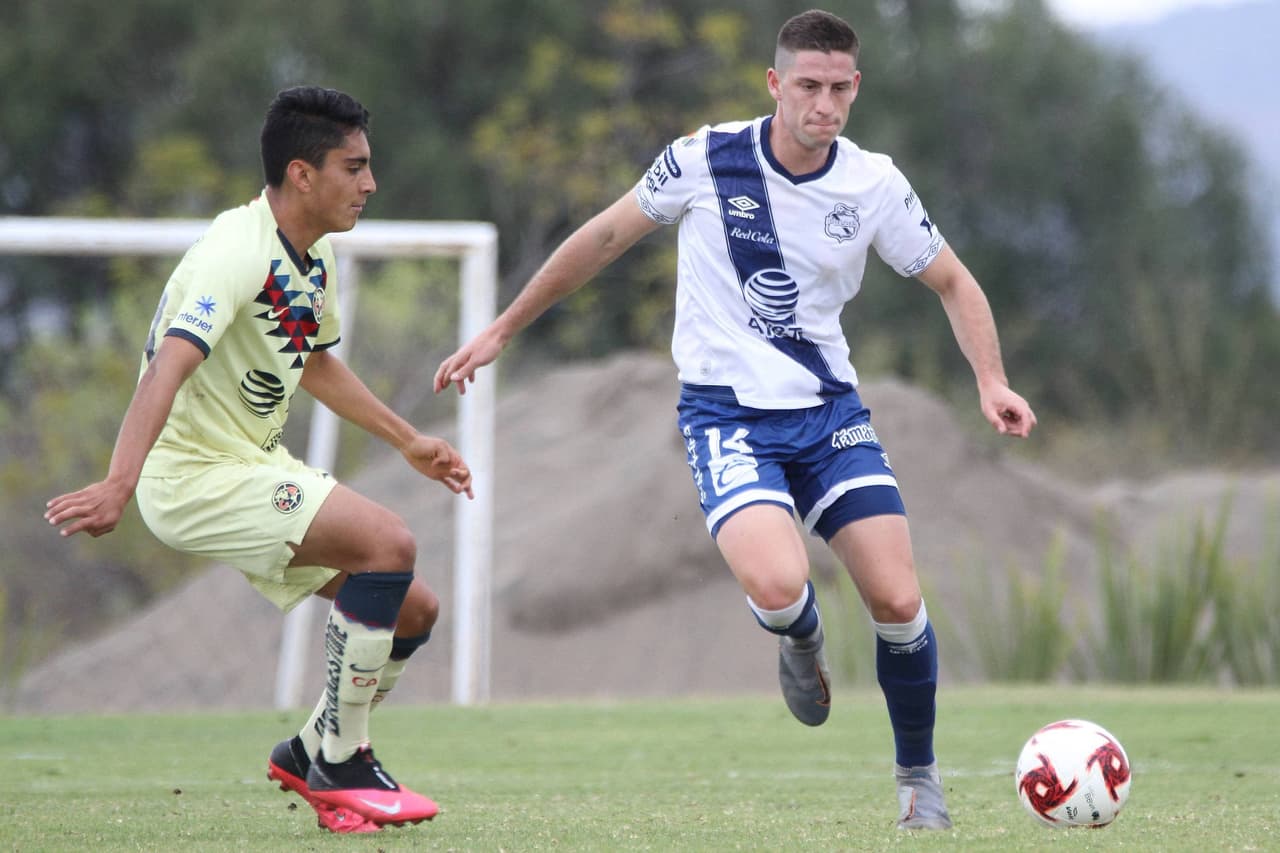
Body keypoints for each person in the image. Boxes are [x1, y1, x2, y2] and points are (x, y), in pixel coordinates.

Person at [434, 9, 1035, 831]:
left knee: (897, 598)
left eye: (838, 89)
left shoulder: (874, 184)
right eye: (807, 86)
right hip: (726, 416)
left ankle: (919, 782)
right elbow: (606, 236)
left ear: (856, 89)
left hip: (828, 414)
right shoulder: (703, 159)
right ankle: (799, 637)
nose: (823, 104)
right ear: (774, 84)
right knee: (781, 585)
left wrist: (991, 380)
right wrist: (503, 326)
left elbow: (956, 282)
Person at [44, 86, 473, 835]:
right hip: (192, 476)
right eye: (355, 166)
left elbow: (312, 361)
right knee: (388, 543)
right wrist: (121, 483)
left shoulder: (312, 255)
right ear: (302, 174)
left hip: (247, 462)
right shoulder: (234, 251)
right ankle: (342, 764)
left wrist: (409, 440)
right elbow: (166, 368)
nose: (370, 184)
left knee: (413, 607)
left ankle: (309, 749)